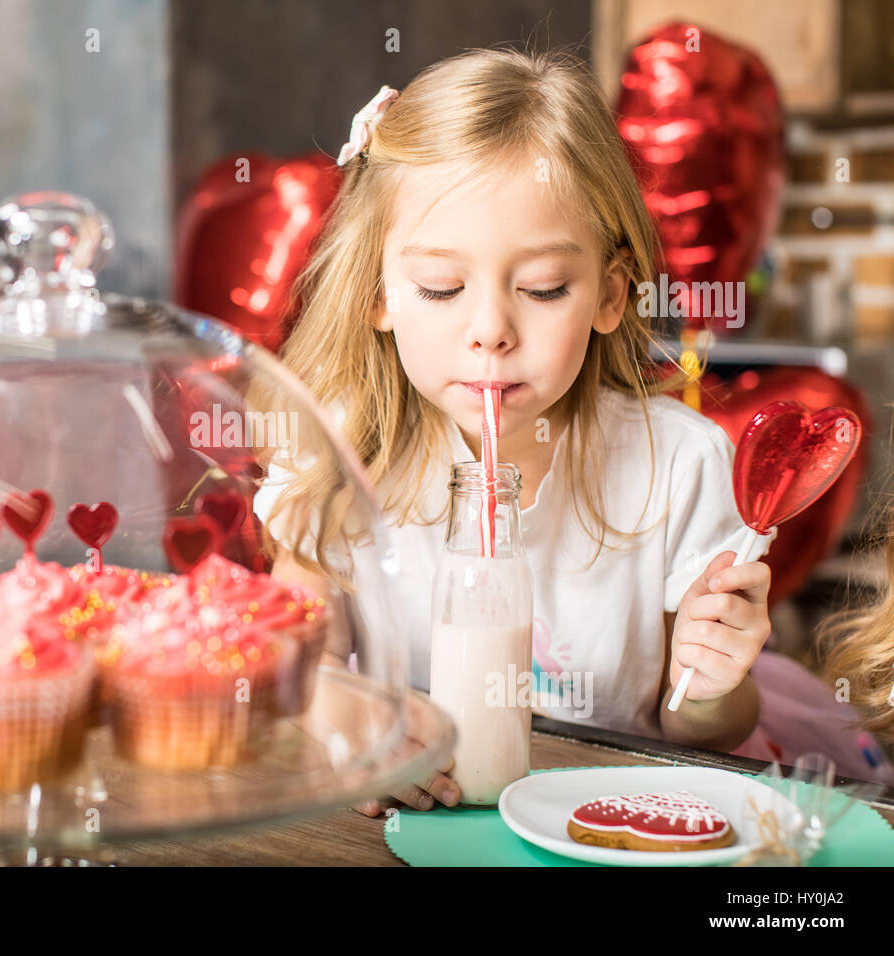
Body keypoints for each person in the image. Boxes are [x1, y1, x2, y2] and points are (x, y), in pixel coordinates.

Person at [253, 47, 783, 814]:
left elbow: (703, 733)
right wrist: (349, 729)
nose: (492, 331)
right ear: (379, 294)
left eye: (542, 288)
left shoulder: (679, 464)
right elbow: (301, 668)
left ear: (609, 294)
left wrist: (711, 680)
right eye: (441, 287)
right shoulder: (341, 451)